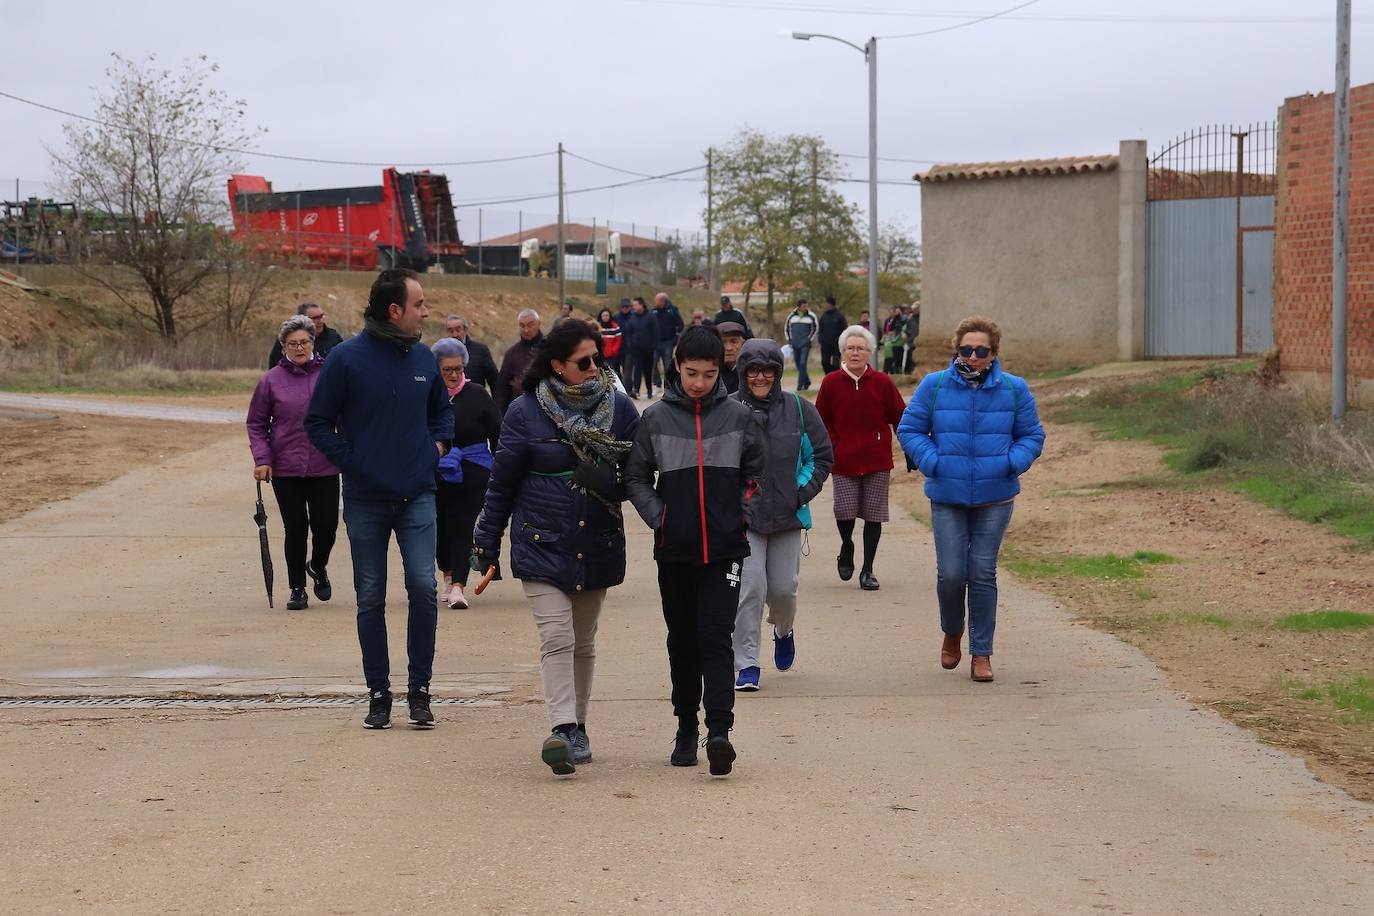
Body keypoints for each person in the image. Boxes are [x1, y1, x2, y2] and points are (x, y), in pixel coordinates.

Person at [472, 319, 640, 775]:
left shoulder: (622, 410)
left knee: (583, 640)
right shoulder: (524, 413)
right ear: (556, 365)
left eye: (598, 360)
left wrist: (612, 481)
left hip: (597, 540)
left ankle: (579, 725)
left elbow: (643, 475)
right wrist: (485, 543)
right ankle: (561, 727)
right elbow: (501, 483)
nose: (594, 369)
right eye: (584, 361)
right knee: (557, 636)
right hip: (541, 542)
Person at [305, 268, 454, 730]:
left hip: (417, 496)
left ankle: (420, 691)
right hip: (367, 498)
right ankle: (378, 693)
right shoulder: (345, 359)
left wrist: (436, 449)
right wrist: (355, 461)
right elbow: (316, 423)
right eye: (419, 304)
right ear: (395, 310)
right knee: (370, 596)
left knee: (423, 588)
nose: (426, 311)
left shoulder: (425, 359)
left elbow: (442, 415)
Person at [626, 326, 765, 777]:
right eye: (691, 373)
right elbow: (636, 477)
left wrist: (741, 513)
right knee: (682, 642)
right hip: (675, 551)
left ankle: (719, 732)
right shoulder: (655, 419)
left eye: (708, 374)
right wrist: (660, 518)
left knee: (715, 638)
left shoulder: (739, 417)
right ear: (676, 366)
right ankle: (686, 725)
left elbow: (755, 474)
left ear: (720, 371)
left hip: (725, 550)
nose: (699, 383)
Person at [897, 316, 1044, 684]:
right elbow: (910, 428)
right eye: (967, 350)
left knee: (981, 573)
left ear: (994, 353)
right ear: (956, 350)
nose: (973, 356)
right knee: (951, 574)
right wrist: (933, 461)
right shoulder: (934, 386)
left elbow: (1032, 435)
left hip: (995, 497)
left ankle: (982, 652)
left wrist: (1012, 462)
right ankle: (952, 630)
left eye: (981, 351)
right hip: (947, 494)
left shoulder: (1014, 389)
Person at [731, 338, 833, 691]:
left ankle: (783, 629)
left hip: (788, 515)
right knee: (750, 587)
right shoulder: (726, 411)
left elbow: (821, 457)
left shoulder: (800, 410)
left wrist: (799, 492)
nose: (761, 377)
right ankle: (746, 663)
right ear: (743, 373)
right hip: (744, 519)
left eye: (768, 371)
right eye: (753, 371)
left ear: (778, 373)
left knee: (783, 591)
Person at [247, 315, 340, 611]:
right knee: (296, 527)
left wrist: (351, 452)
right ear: (283, 346)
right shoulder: (270, 380)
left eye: (304, 342)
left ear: (313, 342)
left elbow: (347, 417)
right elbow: (257, 423)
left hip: (325, 463)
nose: (299, 348)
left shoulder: (330, 374)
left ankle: (318, 565)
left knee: (326, 526)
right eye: (292, 344)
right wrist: (262, 459)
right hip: (286, 466)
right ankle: (297, 587)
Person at [815, 325, 907, 592]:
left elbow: (900, 417)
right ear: (843, 352)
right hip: (843, 459)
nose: (855, 353)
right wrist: (834, 445)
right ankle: (847, 545)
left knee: (873, 515)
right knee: (844, 510)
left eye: (861, 348)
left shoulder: (883, 383)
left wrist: (911, 447)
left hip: (876, 459)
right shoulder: (831, 382)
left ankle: (868, 569)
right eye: (850, 348)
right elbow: (821, 420)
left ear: (870, 353)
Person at [432, 338, 501, 611]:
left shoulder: (478, 395)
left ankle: (459, 586)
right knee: (439, 529)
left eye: (458, 369)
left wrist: (499, 469)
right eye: (447, 369)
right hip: (435, 470)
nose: (453, 374)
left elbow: (497, 434)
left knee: (461, 528)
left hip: (473, 472)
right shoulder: (428, 396)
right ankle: (448, 574)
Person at [495, 308, 544, 415]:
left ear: (539, 324)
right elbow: (502, 389)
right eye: (522, 325)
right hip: (521, 412)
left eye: (530, 325)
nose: (526, 330)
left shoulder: (549, 347)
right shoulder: (511, 354)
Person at [267, 302, 345, 368]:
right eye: (315, 318)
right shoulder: (287, 339)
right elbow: (274, 363)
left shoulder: (333, 337)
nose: (320, 321)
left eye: (321, 316)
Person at [444, 314, 499, 393]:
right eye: (451, 331)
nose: (454, 334)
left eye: (458, 330)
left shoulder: (480, 350)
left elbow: (494, 381)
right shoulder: (442, 353)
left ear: (465, 330)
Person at [624, 297, 657, 400]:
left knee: (648, 371)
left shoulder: (650, 317)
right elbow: (628, 332)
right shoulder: (632, 317)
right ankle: (637, 390)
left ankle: (649, 390)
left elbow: (655, 332)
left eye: (635, 305)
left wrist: (653, 346)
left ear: (641, 305)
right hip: (635, 349)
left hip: (648, 349)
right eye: (633, 305)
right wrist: (630, 344)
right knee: (637, 370)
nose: (633, 307)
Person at [650, 292, 684, 391]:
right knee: (653, 363)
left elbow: (680, 325)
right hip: (655, 343)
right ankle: (657, 384)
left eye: (656, 301)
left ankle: (669, 385)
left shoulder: (672, 311)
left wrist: (676, 337)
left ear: (662, 301)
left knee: (667, 364)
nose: (655, 303)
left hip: (668, 343)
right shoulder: (653, 312)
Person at [784, 298, 819, 390]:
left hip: (805, 344)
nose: (806, 308)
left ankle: (800, 385)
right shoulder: (791, 316)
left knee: (803, 363)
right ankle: (807, 381)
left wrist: (809, 339)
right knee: (798, 364)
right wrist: (789, 340)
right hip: (795, 344)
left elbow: (815, 329)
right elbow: (786, 328)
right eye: (804, 306)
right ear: (799, 307)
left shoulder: (811, 316)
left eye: (807, 306)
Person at [818, 295, 847, 375]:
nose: (825, 305)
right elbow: (820, 328)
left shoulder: (839, 316)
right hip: (825, 344)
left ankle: (835, 378)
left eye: (826, 303)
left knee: (835, 363)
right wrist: (820, 338)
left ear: (831, 304)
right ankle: (828, 376)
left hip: (836, 344)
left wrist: (840, 340)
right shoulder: (824, 316)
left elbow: (844, 329)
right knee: (825, 362)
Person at [717, 321, 747, 396]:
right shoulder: (712, 372)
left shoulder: (750, 372)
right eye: (723, 342)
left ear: (742, 344)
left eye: (734, 341)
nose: (728, 348)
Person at [597, 307, 623, 380]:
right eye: (603, 316)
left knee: (614, 371)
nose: (605, 317)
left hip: (612, 355)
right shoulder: (598, 326)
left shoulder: (615, 326)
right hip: (601, 354)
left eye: (607, 315)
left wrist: (614, 350)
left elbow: (618, 340)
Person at [613, 297, 635, 380]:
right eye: (623, 307)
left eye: (627, 306)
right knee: (616, 368)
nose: (625, 308)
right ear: (620, 307)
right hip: (617, 347)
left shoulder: (634, 316)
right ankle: (620, 385)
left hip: (629, 348)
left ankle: (628, 387)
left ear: (630, 307)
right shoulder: (615, 317)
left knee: (628, 369)